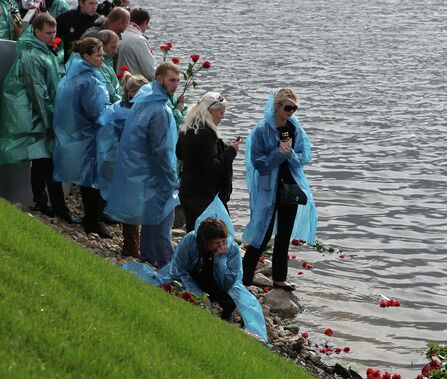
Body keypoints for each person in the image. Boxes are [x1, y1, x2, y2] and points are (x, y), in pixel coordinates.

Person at [122, 202, 269, 342]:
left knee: (232, 300)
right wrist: (199, 295)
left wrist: (219, 260)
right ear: (205, 240)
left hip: (217, 280)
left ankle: (226, 319)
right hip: (192, 275)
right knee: (172, 287)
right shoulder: (190, 240)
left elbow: (230, 281)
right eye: (216, 243)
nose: (221, 245)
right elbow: (179, 270)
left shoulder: (230, 248)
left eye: (223, 241)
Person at [0, 13, 75, 222]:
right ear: (37, 32)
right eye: (49, 33)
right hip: (36, 117)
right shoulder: (33, 55)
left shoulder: (41, 51)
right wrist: (50, 120)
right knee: (46, 160)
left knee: (42, 161)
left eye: (54, 32)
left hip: (37, 116)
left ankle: (45, 203)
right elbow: (38, 92)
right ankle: (55, 206)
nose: (53, 37)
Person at [105, 62, 180, 267]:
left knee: (149, 217)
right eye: (171, 80)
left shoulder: (142, 103)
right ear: (159, 79)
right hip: (156, 174)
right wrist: (172, 178)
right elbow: (161, 150)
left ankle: (148, 259)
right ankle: (167, 265)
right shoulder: (161, 111)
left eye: (178, 81)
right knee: (163, 221)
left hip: (141, 172)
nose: (175, 85)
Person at [242, 88, 317, 289]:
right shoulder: (261, 130)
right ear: (277, 106)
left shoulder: (295, 129)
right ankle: (244, 278)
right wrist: (278, 153)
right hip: (268, 189)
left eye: (294, 108)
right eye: (287, 107)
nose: (291, 111)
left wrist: (291, 154)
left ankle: (279, 277)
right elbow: (258, 163)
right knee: (262, 233)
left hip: (290, 188)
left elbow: (304, 157)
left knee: (284, 234)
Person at [53, 36, 112, 237]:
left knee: (87, 179)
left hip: (75, 135)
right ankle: (92, 221)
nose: (102, 58)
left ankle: (91, 219)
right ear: (86, 56)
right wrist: (120, 111)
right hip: (89, 137)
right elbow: (98, 113)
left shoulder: (71, 75)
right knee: (92, 181)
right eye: (98, 55)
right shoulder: (89, 80)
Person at [97, 71, 147, 256]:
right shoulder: (128, 112)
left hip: (121, 162)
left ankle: (132, 244)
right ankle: (132, 246)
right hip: (129, 163)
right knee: (133, 205)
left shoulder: (119, 108)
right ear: (133, 92)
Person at [176, 92, 239, 232]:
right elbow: (213, 169)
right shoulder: (206, 133)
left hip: (188, 191)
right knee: (215, 236)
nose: (223, 117)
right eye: (221, 113)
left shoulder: (187, 128)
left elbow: (179, 154)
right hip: (204, 197)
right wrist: (230, 152)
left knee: (194, 233)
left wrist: (221, 148)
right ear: (210, 111)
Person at [116, 7, 152, 80]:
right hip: (135, 86)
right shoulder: (139, 40)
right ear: (145, 22)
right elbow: (150, 72)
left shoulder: (118, 34)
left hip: (118, 84)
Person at [94, 29, 120, 102]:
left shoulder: (107, 61)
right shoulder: (100, 64)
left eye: (116, 47)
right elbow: (111, 94)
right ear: (102, 45)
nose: (115, 51)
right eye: (113, 47)